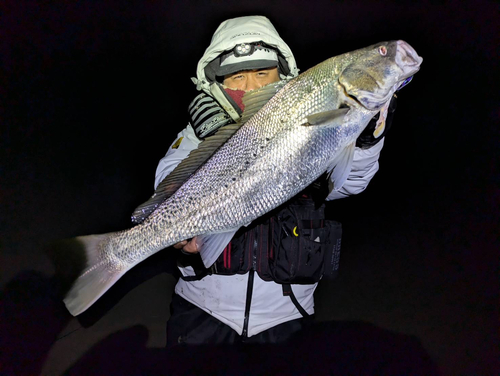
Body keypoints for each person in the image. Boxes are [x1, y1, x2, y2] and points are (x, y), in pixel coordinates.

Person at [153, 15, 396, 346]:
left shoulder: (310, 124)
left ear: (282, 76)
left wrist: (365, 140)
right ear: (219, 83)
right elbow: (167, 179)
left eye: (263, 73)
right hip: (202, 311)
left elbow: (351, 183)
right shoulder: (201, 133)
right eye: (237, 76)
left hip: (288, 315)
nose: (252, 86)